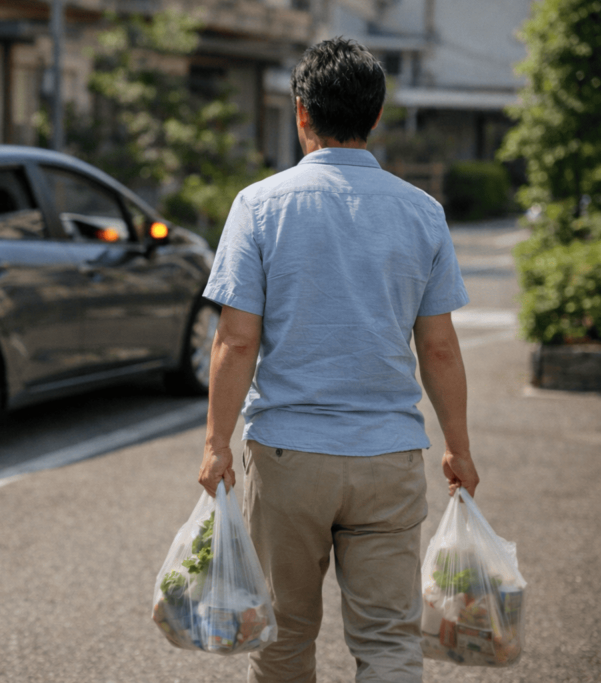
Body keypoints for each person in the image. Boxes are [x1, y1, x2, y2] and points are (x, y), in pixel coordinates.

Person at [197, 37, 480, 683]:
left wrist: (216, 443)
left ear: (302, 113)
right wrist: (458, 448)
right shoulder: (422, 213)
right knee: (387, 639)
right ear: (376, 118)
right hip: (387, 456)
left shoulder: (259, 205)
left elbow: (236, 341)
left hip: (289, 457)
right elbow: (437, 346)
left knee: (282, 634)